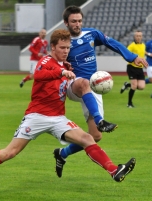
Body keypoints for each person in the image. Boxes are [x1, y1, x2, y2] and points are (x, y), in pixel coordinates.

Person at [0, 29, 136, 196]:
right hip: (36, 117)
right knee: (9, 153)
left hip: (58, 118)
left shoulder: (66, 65)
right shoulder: (46, 62)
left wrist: (67, 71)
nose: (66, 51)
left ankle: (114, 170)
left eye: (68, 48)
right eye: (62, 48)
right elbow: (40, 75)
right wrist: (61, 72)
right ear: (53, 47)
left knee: (88, 138)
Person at [53, 6, 148, 178]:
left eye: (80, 21)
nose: (77, 24)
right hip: (74, 85)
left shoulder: (92, 34)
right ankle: (101, 120)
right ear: (66, 22)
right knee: (82, 83)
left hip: (93, 87)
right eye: (73, 21)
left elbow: (112, 43)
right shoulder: (64, 42)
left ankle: (62, 154)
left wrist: (132, 57)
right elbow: (54, 63)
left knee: (95, 136)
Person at [120, 31, 147, 107]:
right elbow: (124, 55)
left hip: (140, 68)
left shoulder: (143, 45)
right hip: (131, 67)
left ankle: (127, 85)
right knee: (134, 86)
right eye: (137, 36)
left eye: (140, 36)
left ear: (142, 37)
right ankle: (129, 103)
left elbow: (142, 55)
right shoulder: (131, 46)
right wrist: (132, 60)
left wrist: (144, 63)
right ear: (134, 37)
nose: (138, 37)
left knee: (141, 87)